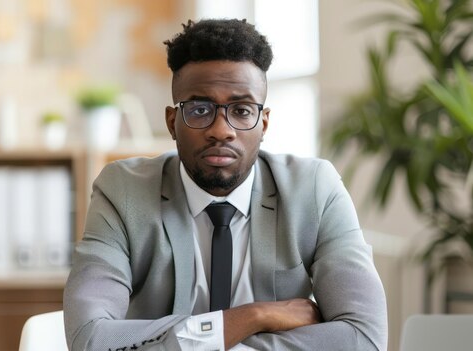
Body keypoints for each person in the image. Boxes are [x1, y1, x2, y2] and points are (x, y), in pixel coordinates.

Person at [64, 18, 388, 350]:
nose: (221, 130)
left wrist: (195, 341)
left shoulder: (315, 191)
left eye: (242, 110)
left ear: (264, 124)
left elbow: (364, 336)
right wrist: (253, 317)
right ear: (172, 122)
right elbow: (89, 339)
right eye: (200, 109)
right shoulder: (123, 193)